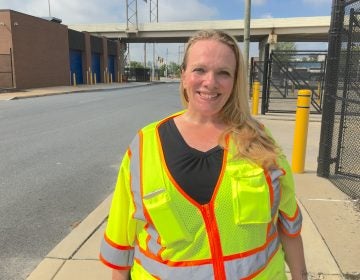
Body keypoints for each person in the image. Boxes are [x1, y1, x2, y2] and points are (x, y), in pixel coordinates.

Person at [99, 29, 307, 280]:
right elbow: (122, 245)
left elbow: (289, 226)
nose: (211, 82)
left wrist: (301, 276)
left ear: (235, 80)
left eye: (223, 73)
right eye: (200, 70)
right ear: (183, 75)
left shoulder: (260, 140)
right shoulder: (146, 144)